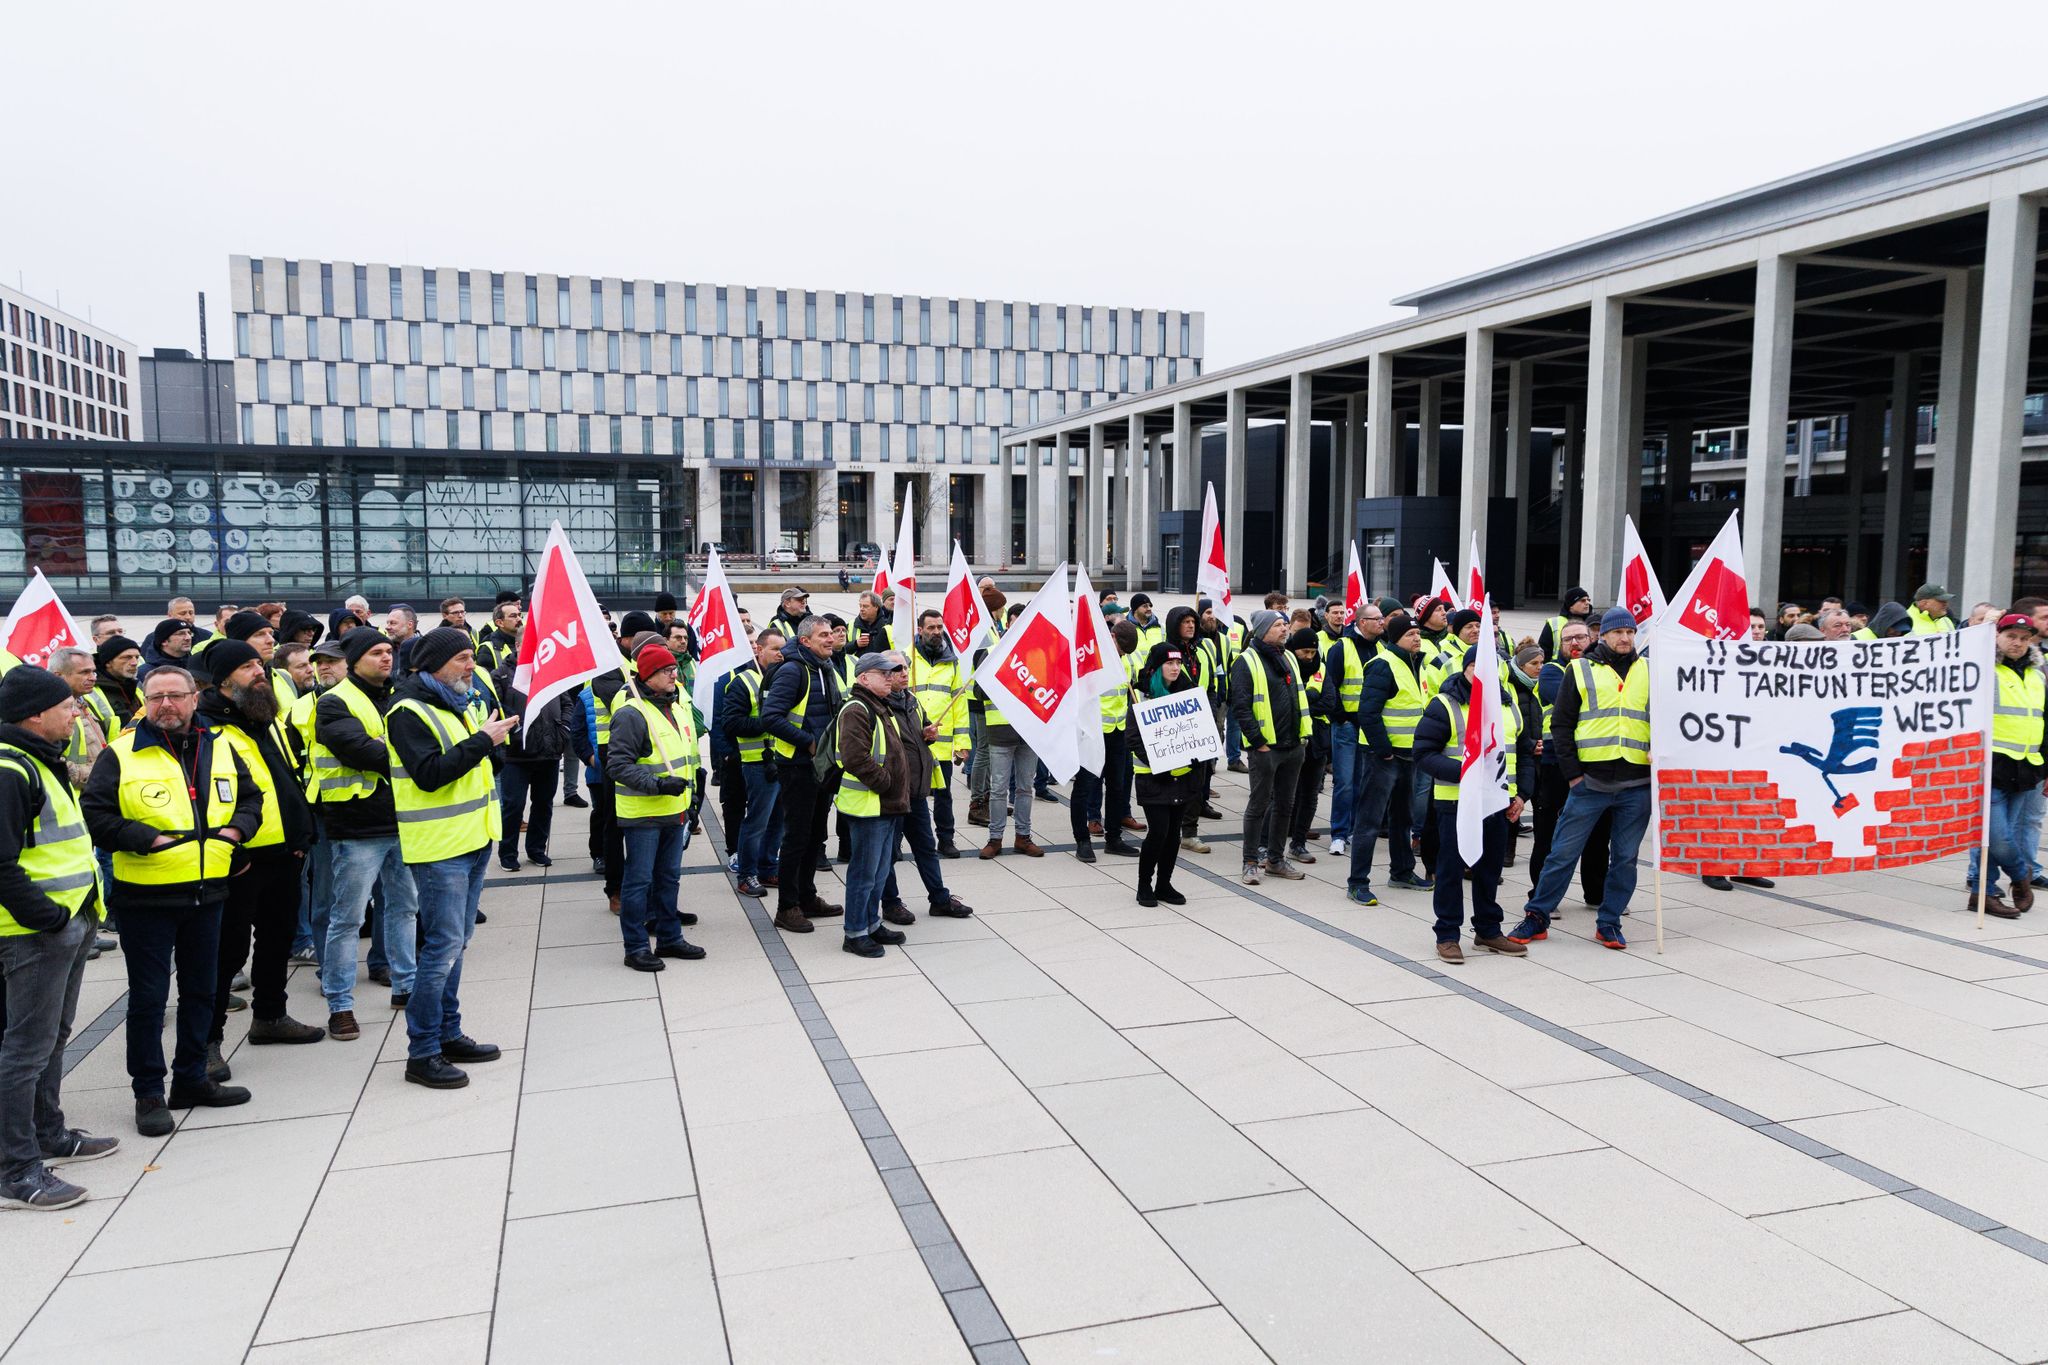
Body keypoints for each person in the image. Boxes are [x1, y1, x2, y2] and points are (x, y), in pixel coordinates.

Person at [83, 665, 263, 1134]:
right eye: (156, 696)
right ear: (144, 701)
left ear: (193, 698)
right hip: (146, 897)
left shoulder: (219, 745)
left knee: (202, 991)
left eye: (175, 696)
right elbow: (96, 816)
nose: (166, 704)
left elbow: (251, 799)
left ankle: (191, 1079)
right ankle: (148, 1093)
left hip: (208, 892)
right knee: (148, 999)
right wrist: (145, 838)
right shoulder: (121, 753)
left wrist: (236, 832)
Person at [0, 667, 117, 1210]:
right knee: (23, 1050)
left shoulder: (36, 760)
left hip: (63, 924)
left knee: (50, 1038)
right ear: (33, 714)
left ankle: (50, 1132)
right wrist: (49, 918)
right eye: (66, 706)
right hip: (33, 932)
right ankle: (16, 1170)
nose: (76, 714)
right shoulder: (10, 768)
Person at [385, 628, 514, 1087]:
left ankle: (448, 1032)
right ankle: (422, 1052)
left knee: (455, 945)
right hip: (440, 848)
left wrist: (491, 745)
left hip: (472, 839)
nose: (470, 666)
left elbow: (474, 765)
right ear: (432, 664)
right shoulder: (408, 710)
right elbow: (430, 775)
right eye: (462, 658)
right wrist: (483, 740)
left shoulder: (452, 703)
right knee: (440, 950)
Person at [197, 641, 326, 1074]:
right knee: (226, 953)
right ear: (222, 680)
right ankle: (207, 1043)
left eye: (259, 663)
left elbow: (284, 779)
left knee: (277, 939)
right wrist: (229, 851)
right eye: (247, 666)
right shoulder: (207, 728)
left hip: (283, 851)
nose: (259, 670)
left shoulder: (261, 717)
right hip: (238, 858)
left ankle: (270, 1016)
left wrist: (299, 835)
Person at [1510, 608, 1651, 950]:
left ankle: (1609, 921)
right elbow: (1561, 724)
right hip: (1590, 782)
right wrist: (1574, 775)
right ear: (1602, 636)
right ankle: (1538, 916)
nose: (1625, 638)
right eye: (1618, 633)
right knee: (1562, 853)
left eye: (1630, 632)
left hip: (1637, 782)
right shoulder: (1581, 668)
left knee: (1625, 858)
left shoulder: (1649, 669)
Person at [308, 630, 419, 1040]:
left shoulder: (399, 695)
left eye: (389, 651)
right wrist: (398, 747)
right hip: (356, 827)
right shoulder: (334, 702)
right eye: (376, 653)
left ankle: (406, 986)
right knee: (348, 918)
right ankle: (340, 1004)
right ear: (354, 660)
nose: (386, 658)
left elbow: (407, 746)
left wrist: (388, 744)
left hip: (401, 820)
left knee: (404, 908)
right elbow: (364, 752)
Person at [1413, 647, 1535, 964]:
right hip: (1455, 804)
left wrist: (1521, 795)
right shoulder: (1445, 705)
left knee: (1489, 870)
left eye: (1494, 670)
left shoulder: (1508, 705)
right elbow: (1424, 754)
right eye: (1481, 669)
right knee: (1451, 870)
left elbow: (1521, 753)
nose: (1488, 677)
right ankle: (1447, 935)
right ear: (1468, 669)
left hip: (1497, 803)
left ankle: (1488, 930)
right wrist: (1466, 772)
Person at [606, 644, 708, 970]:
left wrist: (691, 800)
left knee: (669, 878)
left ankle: (669, 937)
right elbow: (618, 765)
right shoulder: (631, 713)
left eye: (674, 669)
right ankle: (635, 947)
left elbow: (688, 758)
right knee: (639, 882)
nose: (674, 674)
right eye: (667, 671)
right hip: (643, 814)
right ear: (648, 676)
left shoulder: (676, 706)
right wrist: (658, 785)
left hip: (675, 810)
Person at [762, 616, 845, 933]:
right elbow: (771, 717)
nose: (830, 638)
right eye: (823, 635)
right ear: (805, 641)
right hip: (797, 767)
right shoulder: (793, 671)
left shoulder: (824, 667)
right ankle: (787, 907)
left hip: (821, 767)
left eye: (831, 634)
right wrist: (809, 743)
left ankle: (807, 897)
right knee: (796, 838)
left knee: (815, 836)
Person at [835, 652, 918, 958]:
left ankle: (871, 924)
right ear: (863, 678)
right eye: (883, 672)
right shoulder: (857, 708)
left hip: (887, 806)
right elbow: (855, 757)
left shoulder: (879, 706)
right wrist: (885, 783)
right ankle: (855, 932)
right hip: (869, 806)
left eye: (892, 672)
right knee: (864, 872)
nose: (890, 676)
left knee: (880, 872)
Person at [882, 654, 975, 920]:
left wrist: (927, 734)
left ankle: (940, 898)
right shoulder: (877, 705)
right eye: (897, 668)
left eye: (906, 667)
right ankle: (891, 903)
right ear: (882, 673)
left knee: (925, 846)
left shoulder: (911, 701)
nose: (904, 672)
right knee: (889, 853)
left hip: (916, 791)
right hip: (892, 793)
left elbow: (918, 734)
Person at [1348, 612, 1432, 906]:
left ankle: (1402, 871)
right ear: (1396, 638)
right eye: (1410, 635)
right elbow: (1367, 714)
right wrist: (1384, 750)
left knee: (1403, 818)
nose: (1417, 638)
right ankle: (1358, 882)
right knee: (1370, 820)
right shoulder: (1383, 665)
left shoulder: (1416, 664)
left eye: (1418, 634)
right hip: (1383, 757)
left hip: (1409, 755)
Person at [1970, 613, 2045, 918]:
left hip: (2027, 767)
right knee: (1995, 837)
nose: (2017, 643)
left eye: (2024, 639)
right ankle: (2020, 874)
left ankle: (1983, 893)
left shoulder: (2039, 675)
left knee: (2000, 836)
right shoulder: (1984, 669)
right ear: (1997, 637)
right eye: (2011, 636)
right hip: (1990, 765)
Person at [491, 645, 591, 872]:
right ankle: (507, 852)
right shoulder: (502, 674)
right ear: (518, 646)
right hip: (516, 756)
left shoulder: (551, 672)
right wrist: (514, 730)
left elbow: (566, 703)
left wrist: (563, 729)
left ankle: (536, 849)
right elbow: (496, 706)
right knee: (513, 805)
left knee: (543, 804)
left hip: (549, 752)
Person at [1530, 620, 1607, 909]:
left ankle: (1597, 893)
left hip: (1593, 759)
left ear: (1592, 639)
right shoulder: (1551, 670)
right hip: (1555, 761)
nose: (1574, 644)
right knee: (1548, 832)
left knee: (1599, 834)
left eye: (1580, 638)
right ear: (1560, 645)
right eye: (1567, 640)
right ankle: (1540, 895)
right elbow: (1571, 699)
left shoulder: (1603, 669)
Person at [1230, 609, 1310, 885]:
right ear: (1263, 630)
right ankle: (1250, 861)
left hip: (1293, 745)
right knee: (1258, 805)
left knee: (1285, 806)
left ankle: (1275, 859)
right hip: (1266, 748)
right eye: (1278, 625)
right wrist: (1258, 742)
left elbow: (1297, 697)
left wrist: (1302, 738)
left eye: (1286, 625)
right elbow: (1240, 706)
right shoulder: (1246, 661)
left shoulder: (1287, 657)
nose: (1285, 629)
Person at [1132, 645, 1199, 907]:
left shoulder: (1188, 692)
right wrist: (1160, 761)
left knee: (1174, 835)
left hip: (1181, 776)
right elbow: (1133, 738)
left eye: (1178, 663)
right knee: (1158, 832)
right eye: (1169, 664)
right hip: (1153, 776)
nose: (1175, 668)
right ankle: (1143, 885)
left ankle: (1164, 883)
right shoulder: (1140, 694)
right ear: (1157, 666)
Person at [1071, 618, 1138, 864]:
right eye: (1120, 648)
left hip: (1118, 732)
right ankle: (1082, 841)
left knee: (1118, 787)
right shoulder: (1093, 661)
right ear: (1111, 639)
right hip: (1093, 732)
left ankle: (1114, 838)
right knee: (1085, 787)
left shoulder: (1127, 660)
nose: (1121, 654)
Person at [1323, 601, 1386, 857]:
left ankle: (1353, 830)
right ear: (1362, 623)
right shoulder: (1342, 648)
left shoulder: (1381, 648)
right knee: (1345, 783)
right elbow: (1331, 686)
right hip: (1347, 726)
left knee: (1363, 782)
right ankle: (1338, 834)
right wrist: (1342, 716)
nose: (1382, 622)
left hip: (1369, 729)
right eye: (1377, 618)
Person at [724, 629, 784, 898]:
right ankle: (747, 874)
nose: (780, 654)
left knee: (779, 820)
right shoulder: (743, 682)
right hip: (757, 762)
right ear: (758, 650)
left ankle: (768, 867)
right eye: (775, 649)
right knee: (756, 821)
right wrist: (768, 722)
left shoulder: (784, 677)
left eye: (783, 648)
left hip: (784, 761)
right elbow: (732, 723)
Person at [978, 613, 1043, 860]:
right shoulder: (993, 652)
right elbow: (978, 691)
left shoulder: (1038, 654)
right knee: (998, 789)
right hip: (1000, 731)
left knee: (1026, 788)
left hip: (1030, 731)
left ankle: (1023, 837)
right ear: (1008, 626)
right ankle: (995, 839)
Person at [908, 610, 970, 858]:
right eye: (931, 627)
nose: (936, 632)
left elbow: (959, 703)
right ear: (920, 629)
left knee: (944, 796)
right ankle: (901, 842)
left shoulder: (951, 661)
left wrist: (962, 742)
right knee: (909, 795)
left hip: (941, 745)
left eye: (939, 627)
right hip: (912, 741)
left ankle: (946, 839)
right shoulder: (908, 657)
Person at [1285, 628, 1334, 866]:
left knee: (1310, 795)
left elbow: (1329, 702)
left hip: (1318, 742)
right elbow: (1285, 702)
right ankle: (1269, 843)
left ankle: (1299, 842)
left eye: (1314, 652)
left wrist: (1303, 703)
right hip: (1291, 741)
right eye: (1305, 651)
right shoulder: (1284, 667)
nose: (1310, 656)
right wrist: (1308, 701)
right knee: (1284, 796)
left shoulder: (1322, 668)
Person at [966, 580, 1007, 826]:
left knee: (987, 752)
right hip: (979, 698)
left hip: (986, 698)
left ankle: (988, 799)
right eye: (1001, 606)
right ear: (995, 608)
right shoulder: (984, 631)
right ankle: (977, 803)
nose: (1004, 609)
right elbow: (981, 665)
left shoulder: (991, 627)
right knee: (983, 752)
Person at [94, 636, 143, 729]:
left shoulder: (136, 684)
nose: (134, 662)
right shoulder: (92, 691)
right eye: (127, 657)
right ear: (108, 662)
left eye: (136, 657)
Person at [1538, 588, 1594, 660]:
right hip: (1559, 668)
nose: (1587, 603)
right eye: (1582, 600)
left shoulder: (1595, 622)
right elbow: (1543, 653)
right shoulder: (1554, 624)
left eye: (1588, 600)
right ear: (1571, 605)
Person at [1127, 593, 1165, 659]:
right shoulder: (1126, 628)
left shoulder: (1161, 628)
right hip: (1136, 668)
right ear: (1135, 609)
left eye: (1150, 606)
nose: (1149, 608)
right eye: (1145, 606)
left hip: (1155, 668)